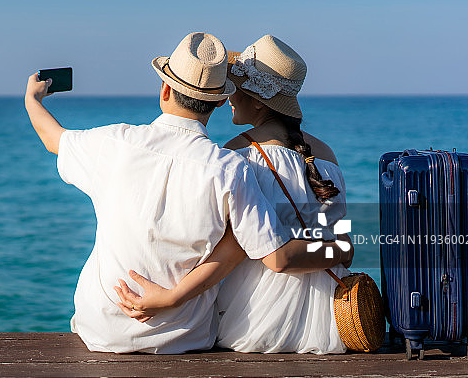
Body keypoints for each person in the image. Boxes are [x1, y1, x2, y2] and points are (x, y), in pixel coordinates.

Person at [25, 32, 352, 354]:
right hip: (323, 321)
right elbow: (326, 244)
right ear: (219, 100)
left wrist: (32, 99)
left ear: (165, 89)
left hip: (242, 325)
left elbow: (53, 138)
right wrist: (340, 250)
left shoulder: (229, 158)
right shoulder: (310, 158)